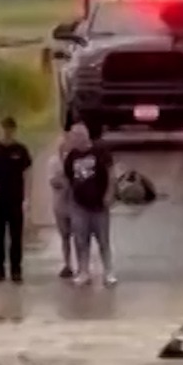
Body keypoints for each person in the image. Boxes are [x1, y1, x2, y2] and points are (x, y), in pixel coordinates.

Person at [64, 123, 117, 287]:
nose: (75, 140)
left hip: (99, 204)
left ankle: (108, 271)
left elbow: (111, 173)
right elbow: (69, 180)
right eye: (73, 137)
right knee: (81, 240)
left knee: (103, 240)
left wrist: (109, 193)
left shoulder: (100, 151)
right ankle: (83, 271)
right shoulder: (71, 157)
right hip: (79, 205)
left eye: (78, 136)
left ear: (85, 136)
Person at [0, 116, 32, 284]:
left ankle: (16, 270)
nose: (7, 132)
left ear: (14, 130)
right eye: (4, 129)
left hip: (15, 198)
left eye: (10, 129)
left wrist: (27, 197)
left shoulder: (20, 150)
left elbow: (27, 173)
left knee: (16, 237)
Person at [47, 130, 78, 279]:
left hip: (76, 204)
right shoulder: (54, 162)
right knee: (65, 236)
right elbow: (53, 181)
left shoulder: (78, 160)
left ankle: (81, 264)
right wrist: (65, 181)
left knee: (80, 235)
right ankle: (67, 264)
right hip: (60, 203)